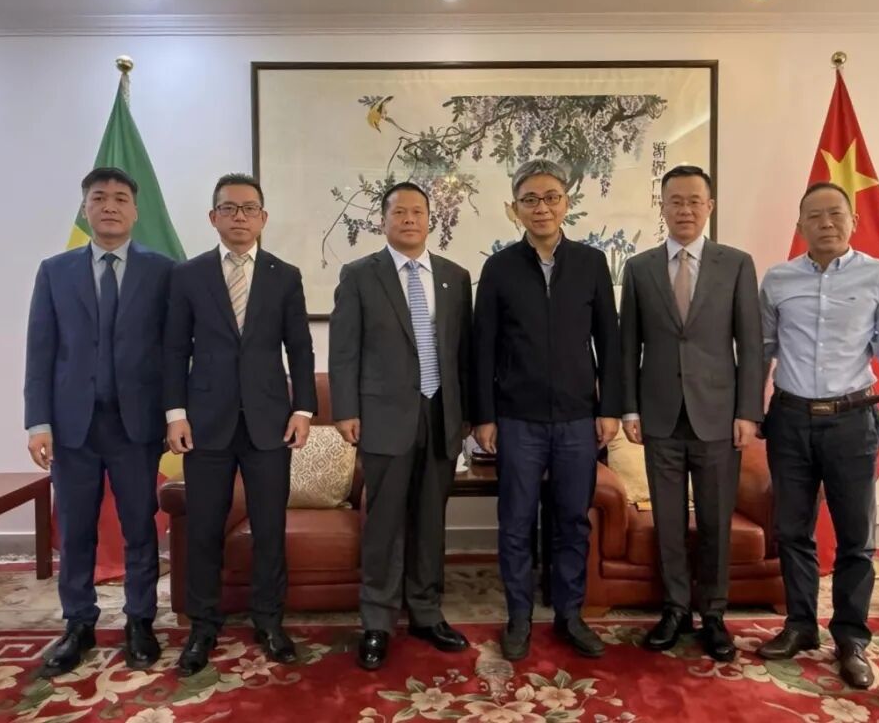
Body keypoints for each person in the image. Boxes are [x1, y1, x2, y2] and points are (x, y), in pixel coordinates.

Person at [757, 182, 879, 689]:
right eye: (814, 215)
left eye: (835, 214)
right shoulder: (777, 280)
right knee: (792, 530)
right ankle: (800, 625)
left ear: (854, 221)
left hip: (853, 420)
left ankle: (851, 638)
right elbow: (763, 349)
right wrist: (749, 412)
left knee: (856, 538)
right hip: (790, 419)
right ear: (799, 226)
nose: (825, 223)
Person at [164, 172, 317, 676]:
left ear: (263, 218)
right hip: (205, 423)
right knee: (204, 529)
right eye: (229, 208)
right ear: (213, 217)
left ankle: (270, 621)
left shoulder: (284, 275)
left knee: (270, 529)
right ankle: (203, 626)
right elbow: (173, 350)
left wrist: (303, 410)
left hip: (270, 423)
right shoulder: (188, 275)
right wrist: (175, 414)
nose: (240, 217)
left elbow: (300, 347)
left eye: (250, 208)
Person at [24, 167, 173, 676]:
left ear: (135, 210)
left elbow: (174, 351)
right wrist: (37, 422)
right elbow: (40, 351)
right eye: (99, 197)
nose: (110, 206)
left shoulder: (163, 271)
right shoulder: (55, 271)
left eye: (120, 198)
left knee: (139, 527)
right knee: (75, 528)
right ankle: (78, 623)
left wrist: (174, 414)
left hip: (137, 426)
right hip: (73, 427)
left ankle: (140, 621)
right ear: (85, 208)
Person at [472, 158, 622, 661]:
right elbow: (483, 348)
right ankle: (518, 617)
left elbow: (610, 341)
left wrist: (610, 407)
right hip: (518, 419)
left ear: (566, 203)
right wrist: (484, 415)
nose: (542, 207)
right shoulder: (498, 268)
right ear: (515, 209)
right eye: (530, 199)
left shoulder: (591, 263)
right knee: (516, 522)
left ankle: (569, 615)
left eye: (551, 197)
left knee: (572, 521)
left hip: (579, 418)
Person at [618, 164, 763, 662]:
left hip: (719, 416)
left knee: (717, 520)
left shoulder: (736, 264)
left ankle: (714, 614)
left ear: (710, 207)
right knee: (669, 520)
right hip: (659, 415)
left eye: (694, 201)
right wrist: (629, 407)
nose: (685, 209)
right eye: (675, 201)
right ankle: (675, 609)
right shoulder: (639, 268)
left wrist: (748, 412)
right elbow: (628, 345)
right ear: (662, 207)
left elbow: (750, 344)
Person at [329, 182, 474, 671]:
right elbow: (344, 349)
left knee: (431, 521)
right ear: (383, 220)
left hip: (441, 416)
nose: (409, 219)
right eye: (399, 212)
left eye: (418, 212)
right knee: (385, 524)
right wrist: (345, 410)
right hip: (383, 417)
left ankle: (427, 613)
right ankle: (377, 620)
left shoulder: (455, 277)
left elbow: (463, 353)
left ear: (430, 219)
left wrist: (467, 414)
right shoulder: (359, 275)